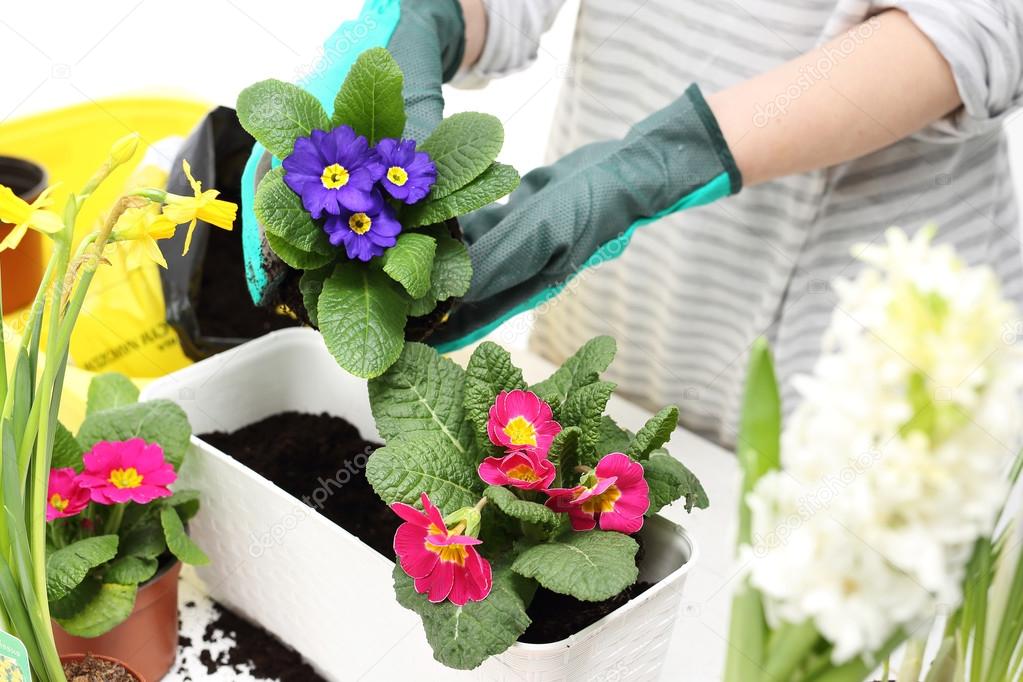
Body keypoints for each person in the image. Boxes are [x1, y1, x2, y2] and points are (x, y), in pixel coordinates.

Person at [306, 1, 1023, 448]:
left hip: (858, 339)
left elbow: (968, 30)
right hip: (628, 297)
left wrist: (659, 162)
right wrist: (431, 14)